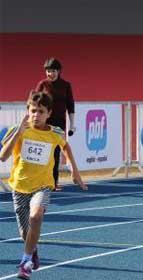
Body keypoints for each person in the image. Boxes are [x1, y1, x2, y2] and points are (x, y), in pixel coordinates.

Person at [0, 91, 87, 280]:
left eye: (40, 112)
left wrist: (74, 171)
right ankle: (32, 251)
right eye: (33, 111)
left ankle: (25, 262)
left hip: (43, 186)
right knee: (25, 233)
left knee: (36, 215)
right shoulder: (18, 129)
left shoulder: (55, 133)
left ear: (49, 113)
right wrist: (19, 133)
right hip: (19, 187)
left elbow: (66, 146)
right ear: (27, 111)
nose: (36, 115)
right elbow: (3, 156)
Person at [36, 58, 76, 190]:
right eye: (48, 71)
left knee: (55, 153)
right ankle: (39, 182)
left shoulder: (66, 85)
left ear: (58, 71)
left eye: (53, 71)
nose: (50, 74)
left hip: (59, 124)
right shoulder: (42, 84)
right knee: (42, 153)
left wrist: (72, 124)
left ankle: (53, 183)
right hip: (43, 124)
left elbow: (70, 105)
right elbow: (34, 102)